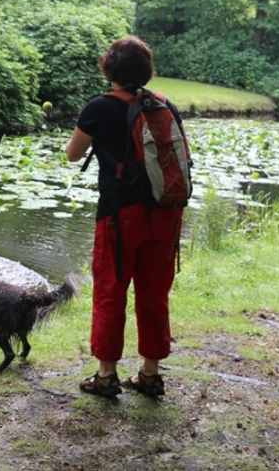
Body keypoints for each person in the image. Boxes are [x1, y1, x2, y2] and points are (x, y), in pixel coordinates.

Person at [65, 35, 185, 399]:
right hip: (166, 214)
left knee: (110, 293)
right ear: (146, 71)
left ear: (109, 69)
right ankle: (150, 374)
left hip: (120, 217)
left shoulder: (100, 108)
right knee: (154, 295)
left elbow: (73, 154)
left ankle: (106, 376)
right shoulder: (166, 105)